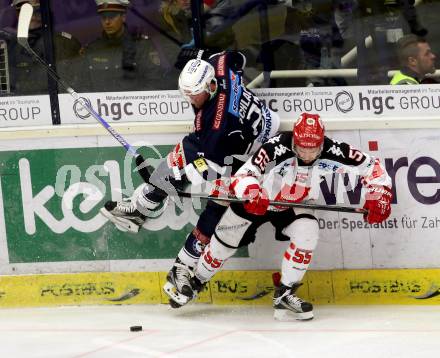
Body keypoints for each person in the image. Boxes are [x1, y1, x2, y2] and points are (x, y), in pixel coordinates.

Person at [99, 50, 280, 307]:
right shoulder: (219, 67)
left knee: (218, 201)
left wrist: (173, 180)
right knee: (181, 156)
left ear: (210, 86)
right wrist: (198, 55)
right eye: (186, 93)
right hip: (249, 131)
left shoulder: (217, 127)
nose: (190, 99)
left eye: (194, 94)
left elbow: (206, 171)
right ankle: (142, 206)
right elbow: (236, 57)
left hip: (248, 153)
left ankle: (183, 266)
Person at [179, 113, 392, 321]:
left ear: (322, 142)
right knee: (222, 247)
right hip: (256, 203)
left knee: (308, 232)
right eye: (302, 149)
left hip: (292, 205)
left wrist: (379, 193)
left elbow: (373, 167)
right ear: (294, 142)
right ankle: (197, 280)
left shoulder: (334, 149)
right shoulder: (276, 146)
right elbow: (244, 174)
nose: (307, 155)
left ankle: (285, 293)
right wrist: (252, 190)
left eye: (313, 149)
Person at [2, 0, 81, 95]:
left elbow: (66, 86)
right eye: (23, 12)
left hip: (52, 104)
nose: (32, 16)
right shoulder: (9, 46)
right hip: (19, 106)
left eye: (36, 11)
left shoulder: (62, 42)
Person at [82, 0, 164, 92]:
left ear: (123, 17)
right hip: (98, 105)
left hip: (134, 104)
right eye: (103, 18)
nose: (107, 22)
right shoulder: (93, 49)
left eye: (112, 17)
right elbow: (84, 85)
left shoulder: (141, 45)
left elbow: (154, 82)